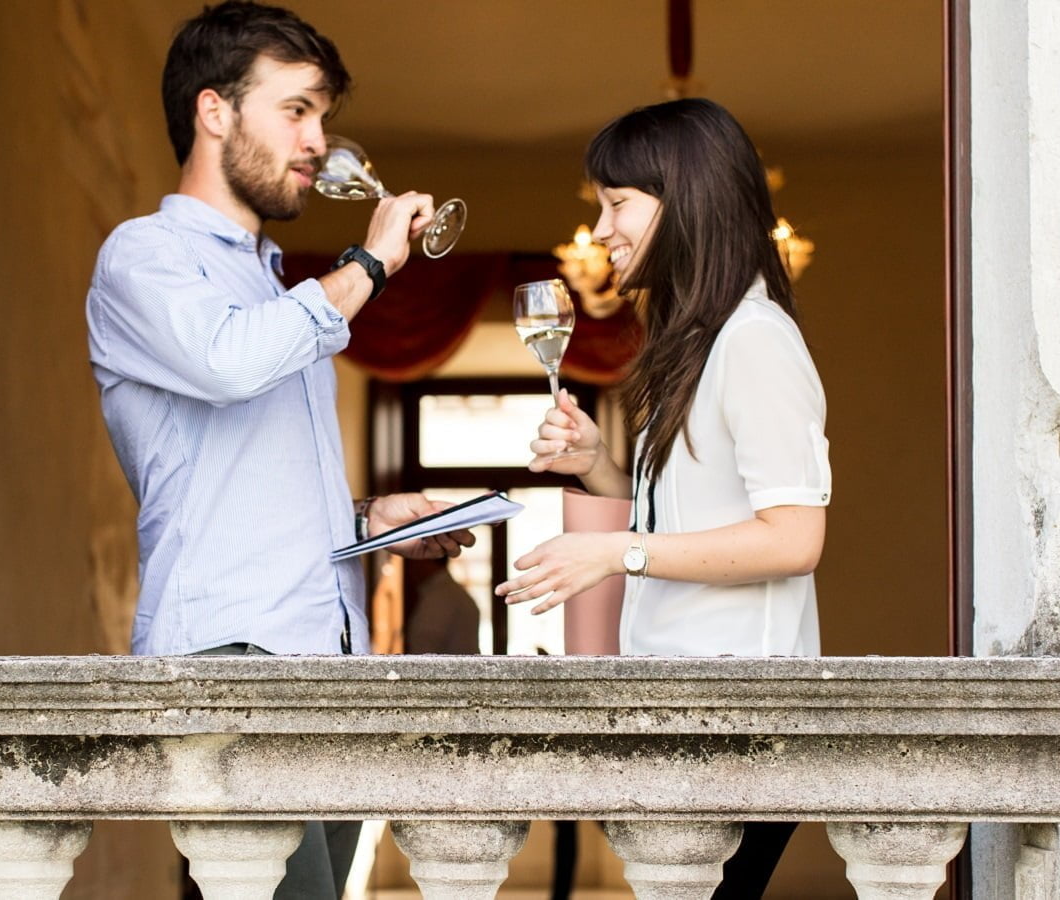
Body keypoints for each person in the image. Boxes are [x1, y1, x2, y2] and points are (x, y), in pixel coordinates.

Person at [85, 3, 472, 896]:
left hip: (323, 654)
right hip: (229, 656)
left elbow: (243, 486)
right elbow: (228, 364)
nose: (317, 140)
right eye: (296, 110)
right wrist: (370, 266)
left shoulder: (272, 285)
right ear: (214, 111)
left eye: (322, 116)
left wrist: (368, 520)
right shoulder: (145, 258)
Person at [495, 98, 832, 900]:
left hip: (738, 722)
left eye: (617, 204)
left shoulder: (754, 340)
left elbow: (794, 539)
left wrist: (614, 551)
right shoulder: (701, 342)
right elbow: (684, 515)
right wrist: (602, 468)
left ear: (686, 200)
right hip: (689, 710)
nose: (603, 229)